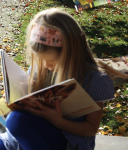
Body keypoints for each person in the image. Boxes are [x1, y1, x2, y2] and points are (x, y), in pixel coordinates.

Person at [0, 8, 114, 150]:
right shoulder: (41, 68)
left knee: (16, 120)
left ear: (71, 52)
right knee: (15, 119)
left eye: (52, 61)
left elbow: (90, 129)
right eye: (41, 60)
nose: (46, 65)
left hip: (64, 140)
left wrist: (58, 121)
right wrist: (13, 101)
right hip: (22, 138)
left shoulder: (94, 79)